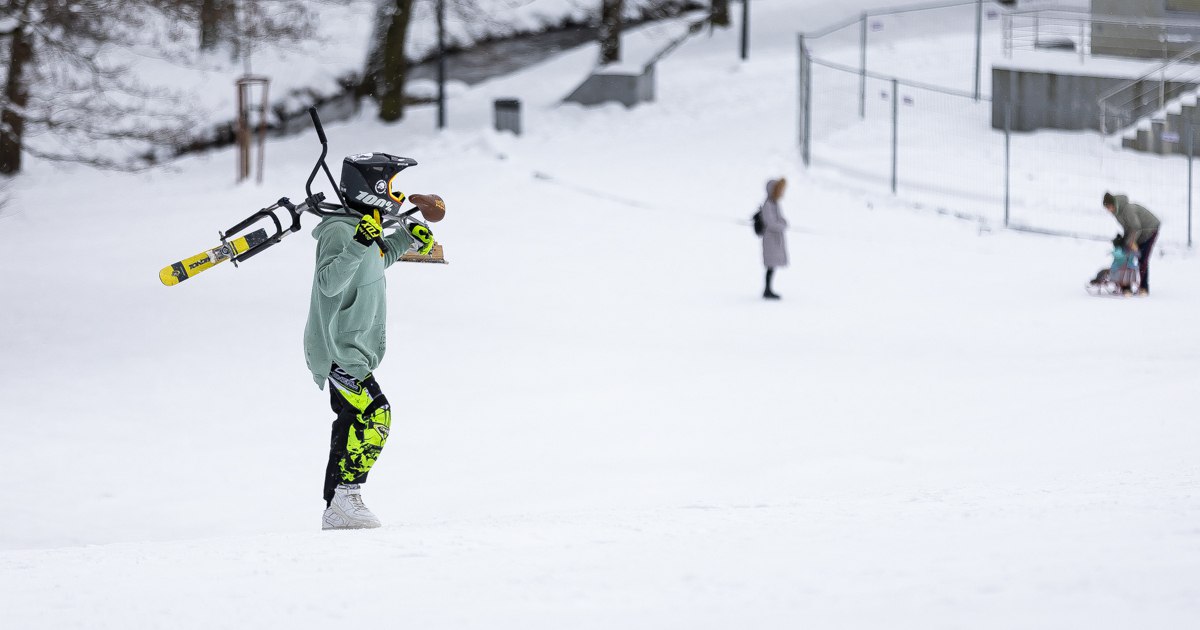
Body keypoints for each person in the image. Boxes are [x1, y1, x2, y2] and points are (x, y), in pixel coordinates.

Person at [304, 152, 434, 530]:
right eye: (390, 187)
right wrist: (361, 241)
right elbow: (329, 283)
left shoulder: (365, 226)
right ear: (373, 189)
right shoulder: (339, 231)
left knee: (350, 421)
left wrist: (405, 238)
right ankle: (347, 496)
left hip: (354, 348)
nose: (396, 196)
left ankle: (336, 509)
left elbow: (374, 262)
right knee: (377, 413)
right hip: (336, 351)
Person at [1102, 192, 1161, 295]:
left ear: (1114, 204)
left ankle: (1143, 288)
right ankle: (1126, 286)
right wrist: (1123, 240)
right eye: (1107, 208)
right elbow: (1128, 228)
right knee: (1125, 256)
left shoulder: (1128, 209)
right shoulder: (1117, 213)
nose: (1108, 210)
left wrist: (1131, 242)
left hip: (1149, 230)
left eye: (1109, 207)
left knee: (1142, 258)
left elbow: (1136, 227)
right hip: (1138, 232)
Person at [759, 178, 789, 300]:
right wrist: (782, 225)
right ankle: (767, 290)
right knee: (770, 265)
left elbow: (780, 219)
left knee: (772, 265)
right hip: (770, 239)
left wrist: (782, 223)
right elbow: (771, 222)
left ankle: (768, 289)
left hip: (776, 239)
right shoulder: (768, 204)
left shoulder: (774, 204)